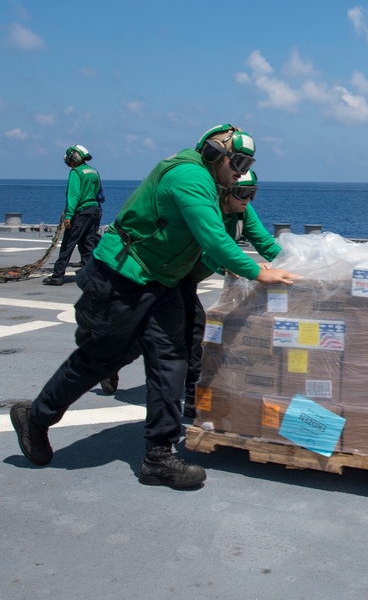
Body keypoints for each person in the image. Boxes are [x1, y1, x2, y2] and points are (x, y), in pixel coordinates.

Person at [9, 124, 300, 489]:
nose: (242, 172)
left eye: (248, 164)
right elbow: (212, 236)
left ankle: (158, 457)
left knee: (171, 359)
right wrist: (258, 273)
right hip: (121, 277)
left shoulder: (221, 186)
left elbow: (252, 233)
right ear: (214, 154)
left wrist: (308, 268)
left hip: (164, 283)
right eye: (238, 162)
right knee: (99, 359)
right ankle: (35, 417)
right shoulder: (189, 177)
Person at [99, 169, 282, 421]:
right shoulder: (208, 211)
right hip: (173, 276)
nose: (248, 200)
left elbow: (266, 244)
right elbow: (206, 250)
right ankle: (193, 397)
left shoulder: (243, 214)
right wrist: (228, 266)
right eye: (242, 193)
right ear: (224, 191)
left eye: (252, 194)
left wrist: (297, 266)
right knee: (194, 332)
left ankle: (110, 362)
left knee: (160, 333)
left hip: (189, 278)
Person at [43, 146, 104, 286]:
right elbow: (97, 191)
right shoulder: (94, 171)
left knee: (68, 243)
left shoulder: (76, 173)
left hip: (81, 212)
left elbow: (74, 195)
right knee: (88, 244)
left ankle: (57, 276)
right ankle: (90, 276)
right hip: (94, 210)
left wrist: (69, 216)